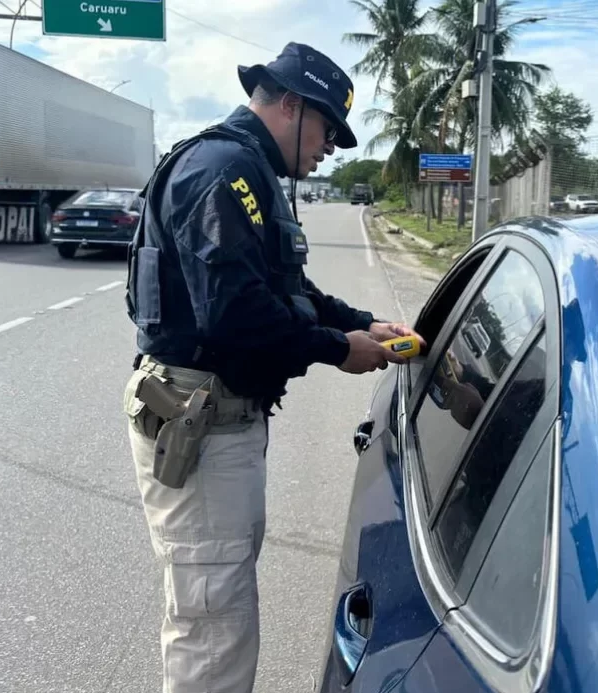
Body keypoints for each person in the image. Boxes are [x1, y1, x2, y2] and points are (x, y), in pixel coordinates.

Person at [121, 42, 426, 693]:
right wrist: (339, 349)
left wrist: (361, 322)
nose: (330, 150)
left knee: (218, 607)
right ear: (289, 105)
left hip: (221, 422)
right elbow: (236, 315)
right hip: (199, 425)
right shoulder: (222, 171)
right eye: (325, 131)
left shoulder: (248, 172)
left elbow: (289, 290)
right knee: (212, 625)